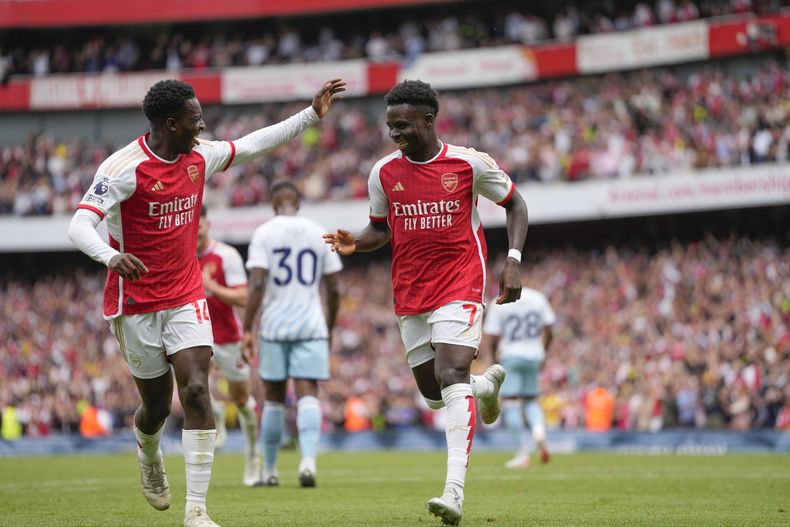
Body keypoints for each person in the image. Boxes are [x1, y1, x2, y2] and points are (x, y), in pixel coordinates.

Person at [68, 77, 345, 527]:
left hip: (185, 295)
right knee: (157, 408)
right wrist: (110, 256)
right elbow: (79, 225)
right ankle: (149, 450)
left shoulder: (199, 156)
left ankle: (196, 511)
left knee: (197, 390)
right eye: (195, 120)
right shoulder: (122, 168)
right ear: (170, 124)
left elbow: (253, 144)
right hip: (136, 302)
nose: (202, 127)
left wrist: (310, 114)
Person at [323, 79, 528, 526]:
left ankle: (453, 491)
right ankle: (485, 388)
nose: (394, 133)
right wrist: (357, 241)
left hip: (460, 281)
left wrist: (513, 260)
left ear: (429, 120)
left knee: (450, 373)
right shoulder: (383, 172)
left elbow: (516, 205)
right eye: (390, 125)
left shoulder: (468, 163)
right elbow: (381, 228)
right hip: (411, 291)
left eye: (403, 125)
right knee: (434, 394)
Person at [241, 179, 342, 488]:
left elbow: (257, 282)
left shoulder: (264, 233)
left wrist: (247, 327)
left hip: (274, 326)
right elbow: (334, 287)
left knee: (273, 399)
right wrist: (330, 325)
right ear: (298, 204)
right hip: (310, 325)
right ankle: (308, 461)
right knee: (308, 392)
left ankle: (270, 470)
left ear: (274, 205)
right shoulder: (317, 231)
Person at [196, 205, 261, 486]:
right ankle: (215, 412)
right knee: (191, 382)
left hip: (228, 337)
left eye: (199, 226)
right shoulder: (181, 256)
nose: (195, 232)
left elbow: (243, 298)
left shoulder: (226, 256)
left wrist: (211, 287)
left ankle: (253, 455)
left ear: (207, 224)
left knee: (242, 400)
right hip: (196, 334)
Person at [481, 282, 555, 468]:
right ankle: (539, 432)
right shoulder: (538, 297)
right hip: (534, 355)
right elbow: (549, 330)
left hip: (511, 355)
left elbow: (491, 336)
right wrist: (543, 352)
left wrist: (493, 361)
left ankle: (522, 453)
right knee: (531, 401)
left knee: (511, 403)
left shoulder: (499, 301)